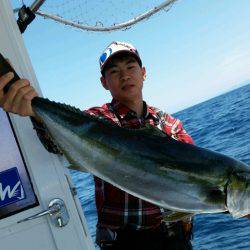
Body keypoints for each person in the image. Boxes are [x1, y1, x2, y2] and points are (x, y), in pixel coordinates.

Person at [0, 41, 195, 250]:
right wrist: (36, 114)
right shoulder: (98, 120)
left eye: (130, 67)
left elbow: (196, 175)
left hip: (174, 238)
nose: (125, 75)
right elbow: (57, 144)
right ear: (104, 82)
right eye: (114, 71)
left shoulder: (169, 124)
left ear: (143, 73)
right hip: (124, 242)